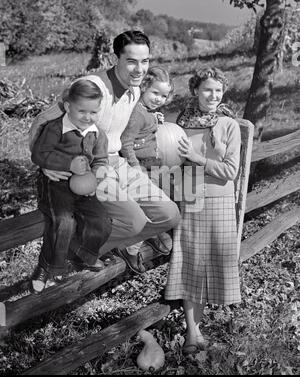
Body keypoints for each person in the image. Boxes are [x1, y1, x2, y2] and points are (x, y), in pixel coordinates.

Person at [28, 30, 181, 275]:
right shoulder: (92, 86)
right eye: (131, 61)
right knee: (134, 221)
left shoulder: (135, 91)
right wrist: (46, 162)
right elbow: (43, 121)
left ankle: (99, 248)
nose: (139, 69)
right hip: (86, 167)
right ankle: (75, 254)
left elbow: (124, 131)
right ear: (116, 58)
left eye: (145, 61)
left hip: (116, 162)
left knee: (170, 215)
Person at [164, 67, 241, 354]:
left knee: (211, 263)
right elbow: (169, 157)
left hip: (220, 200)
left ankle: (200, 326)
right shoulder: (180, 122)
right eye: (208, 89)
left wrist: (198, 159)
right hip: (189, 197)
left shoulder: (228, 125)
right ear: (196, 90)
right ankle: (192, 333)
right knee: (190, 263)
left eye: (218, 90)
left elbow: (230, 171)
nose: (213, 95)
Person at [30, 79, 112, 293]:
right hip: (55, 182)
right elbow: (39, 154)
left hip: (84, 185)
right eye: (82, 111)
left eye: (94, 112)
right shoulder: (55, 128)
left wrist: (95, 178)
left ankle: (84, 254)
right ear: (68, 107)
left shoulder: (98, 133)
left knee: (102, 221)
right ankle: (48, 267)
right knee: (63, 221)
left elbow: (102, 160)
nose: (88, 117)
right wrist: (68, 164)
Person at [119, 66, 174, 262]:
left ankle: (152, 234)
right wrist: (135, 166)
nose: (159, 99)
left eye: (164, 96)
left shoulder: (147, 112)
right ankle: (131, 249)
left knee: (160, 201)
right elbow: (126, 142)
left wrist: (155, 119)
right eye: (155, 93)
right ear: (144, 87)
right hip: (140, 166)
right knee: (148, 206)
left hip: (152, 164)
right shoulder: (137, 114)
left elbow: (146, 128)